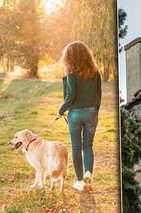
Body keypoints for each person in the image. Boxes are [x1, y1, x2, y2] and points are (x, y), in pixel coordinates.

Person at [56, 41, 102, 191]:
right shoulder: (95, 72)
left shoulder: (71, 73)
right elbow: (98, 94)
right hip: (92, 112)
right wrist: (95, 110)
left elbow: (70, 95)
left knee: (76, 148)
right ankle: (89, 172)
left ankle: (80, 181)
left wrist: (61, 111)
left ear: (69, 57)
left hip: (75, 114)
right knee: (88, 146)